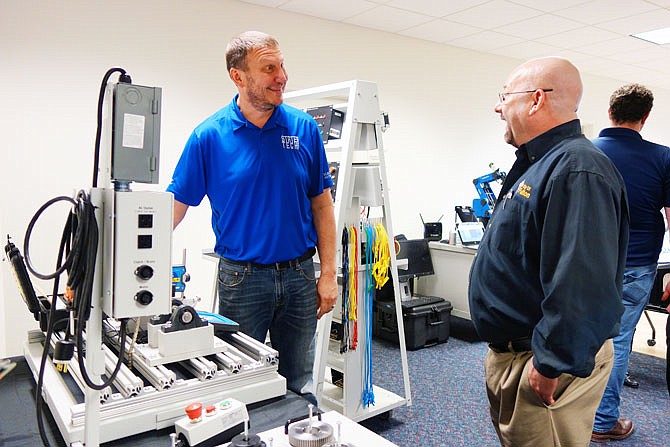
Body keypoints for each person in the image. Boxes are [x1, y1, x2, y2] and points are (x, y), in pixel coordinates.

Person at [167, 31, 338, 404]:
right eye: (269, 68)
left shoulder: (304, 130)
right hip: (242, 281)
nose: (282, 76)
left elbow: (322, 206)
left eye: (282, 65)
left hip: (298, 278)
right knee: (239, 384)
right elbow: (173, 209)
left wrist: (328, 274)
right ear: (238, 77)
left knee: (301, 383)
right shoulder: (208, 137)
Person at [468, 57, 629, 447]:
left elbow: (581, 282)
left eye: (504, 96)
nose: (498, 106)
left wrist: (550, 362)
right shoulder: (539, 163)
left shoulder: (577, 169)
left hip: (542, 363)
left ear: (537, 100)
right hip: (519, 355)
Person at [591, 83, 670, 441]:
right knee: (619, 341)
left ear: (610, 112)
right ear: (646, 117)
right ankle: (603, 422)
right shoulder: (663, 157)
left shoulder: (584, 152)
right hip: (636, 264)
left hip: (585, 263)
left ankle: (567, 411)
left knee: (575, 335)